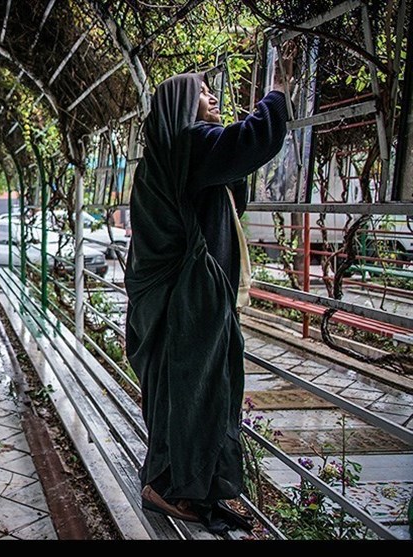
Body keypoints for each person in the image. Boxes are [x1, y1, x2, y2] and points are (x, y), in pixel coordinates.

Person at [124, 51, 293, 534]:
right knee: (196, 396)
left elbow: (228, 182)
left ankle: (173, 483)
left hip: (168, 302)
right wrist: (277, 95)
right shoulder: (189, 144)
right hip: (187, 304)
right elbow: (252, 141)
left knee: (175, 395)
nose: (212, 97)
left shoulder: (165, 154)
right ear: (180, 105)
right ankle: (171, 488)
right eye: (201, 92)